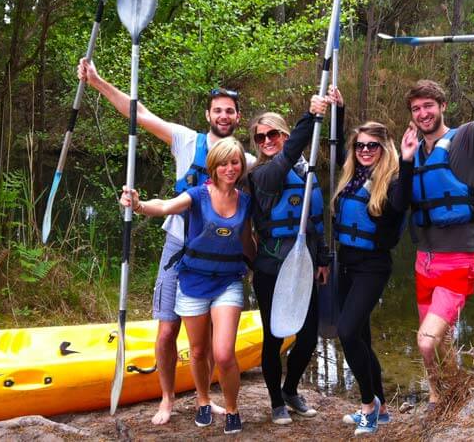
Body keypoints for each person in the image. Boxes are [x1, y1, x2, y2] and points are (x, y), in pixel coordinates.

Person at [77, 58, 255, 425]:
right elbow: (138, 113)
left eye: (230, 111)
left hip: (221, 262)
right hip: (179, 248)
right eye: (218, 110)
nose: (224, 116)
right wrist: (97, 83)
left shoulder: (245, 160)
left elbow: (281, 166)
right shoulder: (186, 140)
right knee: (167, 331)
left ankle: (207, 400)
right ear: (208, 114)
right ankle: (167, 398)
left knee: (206, 342)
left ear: (238, 118)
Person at [407, 29, 474, 409]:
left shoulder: (467, 138)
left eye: (428, 106)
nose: (423, 113)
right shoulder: (413, 151)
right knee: (441, 340)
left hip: (459, 260)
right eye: (417, 109)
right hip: (425, 261)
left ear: (442, 106)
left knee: (426, 339)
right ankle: (447, 396)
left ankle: (444, 397)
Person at [120, 137, 255, 435]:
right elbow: (165, 206)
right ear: (214, 167)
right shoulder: (197, 195)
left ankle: (232, 408)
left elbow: (247, 242)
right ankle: (203, 401)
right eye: (223, 163)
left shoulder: (245, 201)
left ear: (241, 166)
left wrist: (260, 269)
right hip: (192, 281)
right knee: (196, 351)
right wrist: (139, 205)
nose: (230, 168)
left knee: (223, 353)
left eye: (235, 163)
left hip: (228, 282)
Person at [246, 88, 341, 425]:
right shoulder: (261, 176)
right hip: (272, 267)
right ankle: (275, 402)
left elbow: (316, 222)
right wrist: (311, 114)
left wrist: (325, 260)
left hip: (305, 264)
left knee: (308, 335)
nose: (268, 140)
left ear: (284, 134)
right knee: (274, 337)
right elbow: (286, 156)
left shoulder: (309, 169)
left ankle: (290, 389)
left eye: (274, 133)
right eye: (261, 137)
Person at [333, 121, 418, 435]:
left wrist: (408, 160)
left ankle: (368, 406)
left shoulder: (393, 180)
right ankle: (380, 406)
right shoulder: (351, 176)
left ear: (384, 148)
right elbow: (337, 139)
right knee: (361, 338)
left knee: (346, 330)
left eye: (372, 145)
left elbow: (400, 203)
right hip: (346, 262)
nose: (365, 150)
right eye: (360, 146)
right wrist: (338, 110)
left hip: (373, 264)